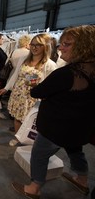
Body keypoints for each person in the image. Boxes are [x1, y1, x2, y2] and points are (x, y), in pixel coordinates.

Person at [11, 25, 95, 199]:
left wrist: (35, 86)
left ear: (83, 46)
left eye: (67, 44)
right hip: (80, 126)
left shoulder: (65, 74)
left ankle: (34, 188)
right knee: (75, 150)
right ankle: (82, 179)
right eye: (62, 43)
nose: (60, 47)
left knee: (39, 154)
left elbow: (37, 93)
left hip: (56, 127)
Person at [0, 33, 57, 146]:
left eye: (38, 45)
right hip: (19, 93)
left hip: (34, 97)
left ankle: (32, 142)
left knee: (32, 120)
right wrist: (6, 88)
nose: (34, 47)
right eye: (32, 44)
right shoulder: (24, 59)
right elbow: (15, 75)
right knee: (17, 117)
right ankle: (18, 137)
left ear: (45, 46)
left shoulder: (49, 65)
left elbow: (51, 84)